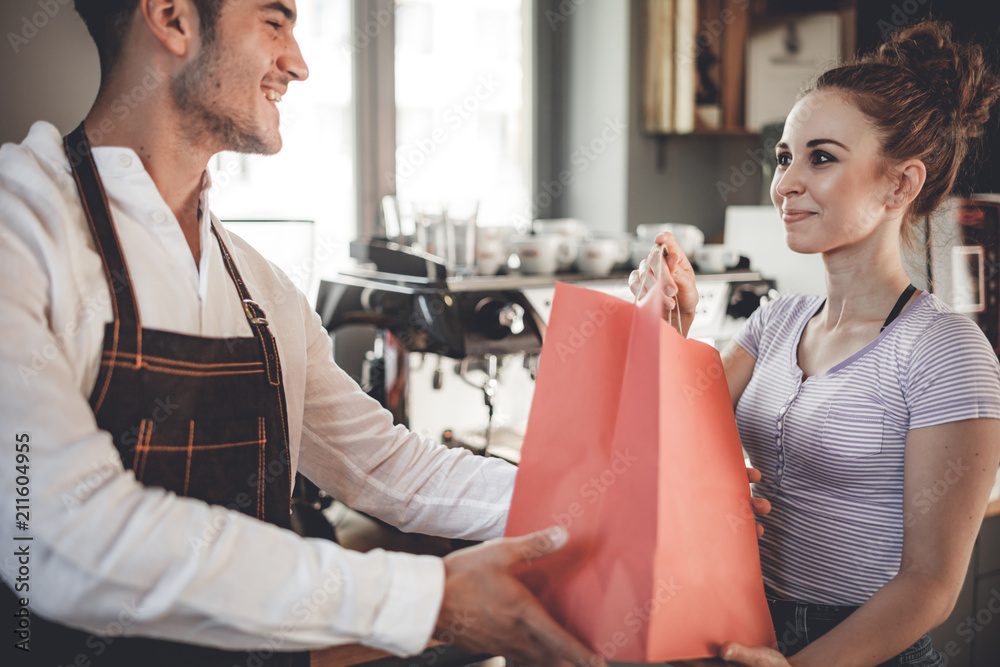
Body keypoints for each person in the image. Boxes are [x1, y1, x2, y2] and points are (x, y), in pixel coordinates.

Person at [0, 1, 604, 665]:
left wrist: (592, 503)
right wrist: (429, 599)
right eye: (274, 23)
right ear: (172, 18)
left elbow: (386, 466)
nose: (299, 63)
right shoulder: (22, 232)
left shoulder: (262, 288)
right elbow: (56, 536)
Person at [630, 20, 1000, 666]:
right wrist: (667, 327)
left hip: (865, 647)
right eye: (784, 157)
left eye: (821, 157)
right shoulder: (775, 321)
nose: (785, 184)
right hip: (742, 629)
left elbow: (931, 584)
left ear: (900, 184)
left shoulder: (946, 350)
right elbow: (665, 444)